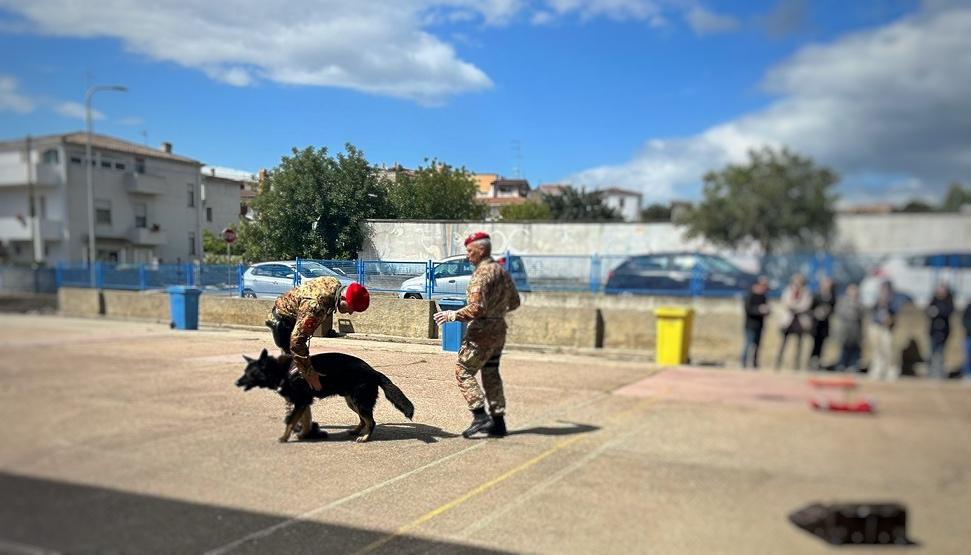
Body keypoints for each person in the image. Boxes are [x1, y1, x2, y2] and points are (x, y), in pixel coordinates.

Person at [434, 231, 521, 439]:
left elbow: (477, 308)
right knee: (491, 372)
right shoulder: (501, 272)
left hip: (481, 332)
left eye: (470, 251)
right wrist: (497, 312)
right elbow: (515, 302)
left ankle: (480, 415)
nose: (467, 256)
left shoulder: (481, 275)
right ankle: (498, 422)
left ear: (481, 250)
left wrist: (452, 314)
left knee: (463, 369)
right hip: (499, 330)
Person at [265, 276, 371, 390]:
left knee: (296, 361)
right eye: (351, 308)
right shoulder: (316, 306)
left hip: (290, 314)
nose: (350, 313)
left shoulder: (334, 284)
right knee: (295, 366)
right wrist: (310, 374)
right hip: (283, 322)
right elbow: (297, 342)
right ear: (343, 297)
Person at [774, 274, 812, 371]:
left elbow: (805, 305)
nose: (798, 284)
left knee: (799, 344)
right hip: (788, 320)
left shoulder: (807, 292)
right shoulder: (788, 291)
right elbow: (785, 302)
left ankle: (796, 365)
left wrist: (795, 306)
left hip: (800, 320)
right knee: (783, 343)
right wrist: (793, 305)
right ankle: (778, 364)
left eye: (800, 282)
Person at [869, 281, 898, 381]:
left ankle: (891, 371)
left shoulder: (893, 301)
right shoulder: (877, 301)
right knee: (877, 350)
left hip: (887, 328)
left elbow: (894, 315)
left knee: (888, 350)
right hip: (876, 327)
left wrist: (890, 319)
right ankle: (877, 370)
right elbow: (873, 313)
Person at [834, 283, 865, 373]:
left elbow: (862, 314)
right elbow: (840, 312)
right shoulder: (842, 301)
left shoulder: (859, 302)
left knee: (855, 347)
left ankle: (853, 365)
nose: (853, 292)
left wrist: (855, 304)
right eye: (852, 290)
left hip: (856, 328)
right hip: (845, 327)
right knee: (844, 347)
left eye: (855, 290)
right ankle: (842, 364)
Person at [741, 276, 770, 369]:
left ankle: (755, 363)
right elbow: (748, 309)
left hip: (760, 325)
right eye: (763, 285)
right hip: (750, 325)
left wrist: (767, 311)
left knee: (757, 345)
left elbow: (767, 309)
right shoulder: (750, 295)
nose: (764, 288)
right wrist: (759, 310)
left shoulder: (763, 297)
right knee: (748, 344)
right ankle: (744, 362)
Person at [926, 283, 954, 380]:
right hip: (933, 331)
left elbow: (948, 311)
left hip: (943, 332)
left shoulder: (949, 301)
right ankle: (931, 372)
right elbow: (927, 311)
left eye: (942, 290)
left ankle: (939, 373)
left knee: (941, 353)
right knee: (931, 353)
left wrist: (938, 311)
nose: (940, 292)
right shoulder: (934, 300)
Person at [809, 277, 836, 370]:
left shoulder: (832, 297)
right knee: (814, 344)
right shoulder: (817, 295)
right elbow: (810, 308)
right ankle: (811, 362)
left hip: (825, 324)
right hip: (816, 324)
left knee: (822, 344)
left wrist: (828, 312)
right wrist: (817, 312)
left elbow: (833, 309)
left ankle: (818, 362)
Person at [962, 301, 971, 382]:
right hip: (969, 335)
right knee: (968, 356)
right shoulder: (968, 307)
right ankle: (967, 374)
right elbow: (964, 320)